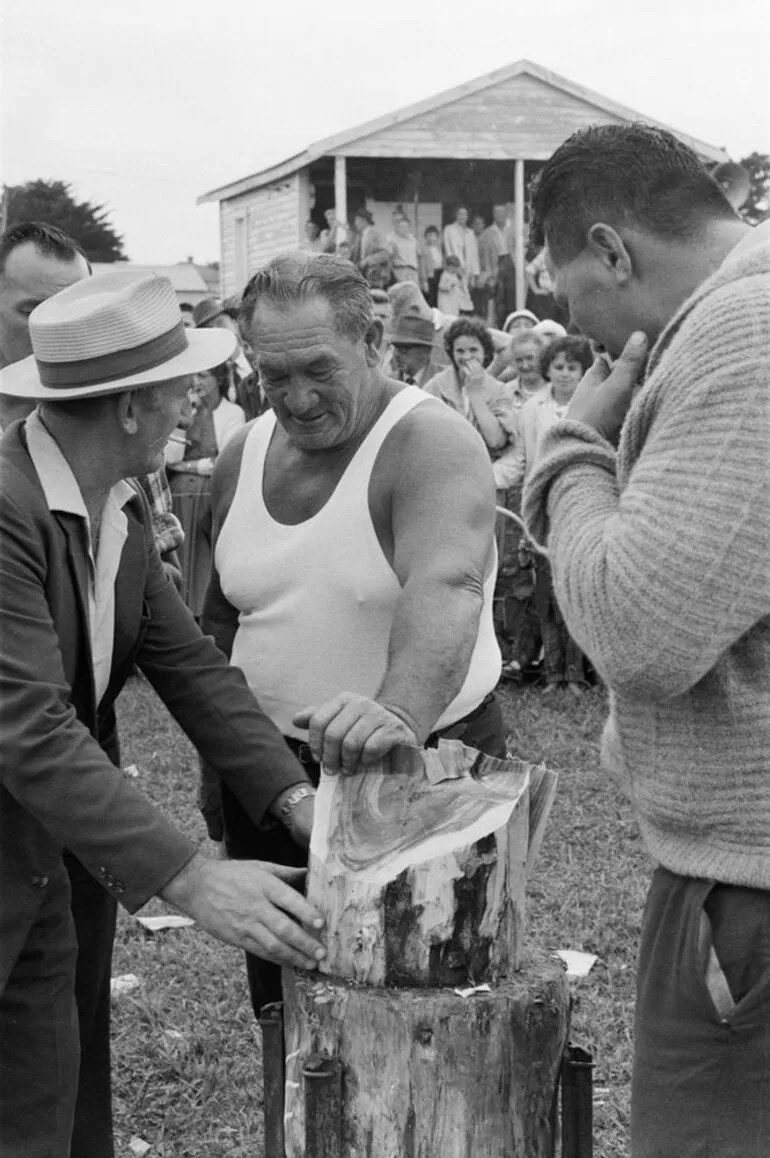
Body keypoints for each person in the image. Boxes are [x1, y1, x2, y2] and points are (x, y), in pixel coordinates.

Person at [0, 271, 326, 1158]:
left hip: (48, 867)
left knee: (56, 1102)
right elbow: (27, 725)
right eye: (182, 381)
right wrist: (191, 877)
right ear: (133, 408)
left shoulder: (117, 500)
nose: (198, 398)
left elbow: (193, 669)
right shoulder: (6, 505)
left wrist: (302, 808)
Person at [522, 122, 770, 1157]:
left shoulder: (741, 332)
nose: (569, 324)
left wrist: (569, 448)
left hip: (747, 887)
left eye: (564, 289)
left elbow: (639, 627)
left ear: (612, 250)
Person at [199, 252, 505, 1015]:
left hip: (420, 763)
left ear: (371, 343)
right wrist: (221, 766)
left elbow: (449, 584)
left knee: (420, 1007)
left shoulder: (428, 443)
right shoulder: (242, 454)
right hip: (268, 774)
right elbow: (221, 620)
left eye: (317, 370)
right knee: (285, 1000)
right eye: (273, 376)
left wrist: (395, 718)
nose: (296, 399)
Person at [0, 222, 185, 585]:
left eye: (72, 313)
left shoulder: (121, 423)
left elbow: (169, 579)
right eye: (32, 311)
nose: (53, 328)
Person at [494, 335, 593, 694]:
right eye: (558, 367)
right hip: (544, 507)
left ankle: (576, 673)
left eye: (572, 367)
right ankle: (552, 673)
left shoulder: (591, 403)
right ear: (548, 368)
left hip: (580, 504)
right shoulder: (534, 408)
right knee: (545, 595)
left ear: (583, 371)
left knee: (575, 592)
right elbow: (522, 460)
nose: (565, 374)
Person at [166, 363, 245, 618]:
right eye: (195, 375)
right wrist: (186, 413)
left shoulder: (232, 413)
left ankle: (203, 610)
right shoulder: (187, 410)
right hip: (179, 498)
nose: (198, 381)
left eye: (204, 375)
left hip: (207, 498)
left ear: (218, 379)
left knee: (204, 557)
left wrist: (186, 466)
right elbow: (170, 456)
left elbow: (222, 461)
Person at [424, 316, 514, 458]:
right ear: (452, 353)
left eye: (473, 350)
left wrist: (475, 395)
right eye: (460, 351)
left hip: (486, 467)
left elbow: (496, 441)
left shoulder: (500, 390)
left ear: (484, 352)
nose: (467, 357)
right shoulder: (435, 386)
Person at [387, 311, 444, 386]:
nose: (396, 354)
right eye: (396, 348)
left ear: (426, 350)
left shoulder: (444, 382)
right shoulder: (388, 382)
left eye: (405, 349)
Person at [479, 205, 512, 326]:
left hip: (512, 265)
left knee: (512, 297)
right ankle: (498, 324)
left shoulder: (516, 227)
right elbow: (484, 255)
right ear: (493, 215)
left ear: (506, 214)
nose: (499, 216)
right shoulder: (488, 233)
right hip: (496, 265)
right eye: (497, 213)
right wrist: (489, 274)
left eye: (502, 213)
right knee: (497, 298)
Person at [350, 207, 391, 289]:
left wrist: (367, 260)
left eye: (356, 221)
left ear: (364, 220)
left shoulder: (376, 234)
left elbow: (385, 254)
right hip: (360, 276)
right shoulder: (358, 236)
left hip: (374, 276)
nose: (355, 223)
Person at [442, 206, 480, 295]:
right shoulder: (449, 229)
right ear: (456, 215)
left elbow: (474, 254)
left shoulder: (470, 232)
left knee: (466, 298)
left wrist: (474, 273)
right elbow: (448, 249)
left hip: (468, 270)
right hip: (453, 269)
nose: (462, 216)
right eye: (460, 214)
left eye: (465, 214)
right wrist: (454, 267)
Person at [387, 211, 426, 289]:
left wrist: (423, 279)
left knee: (414, 295)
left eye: (405, 226)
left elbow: (420, 258)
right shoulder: (392, 239)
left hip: (413, 271)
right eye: (400, 226)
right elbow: (389, 258)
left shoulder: (413, 240)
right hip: (400, 270)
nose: (402, 228)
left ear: (409, 227)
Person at [423, 224, 444, 307]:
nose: (432, 238)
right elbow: (422, 267)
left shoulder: (439, 248)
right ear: (425, 237)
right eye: (429, 236)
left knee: (438, 299)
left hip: (439, 274)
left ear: (437, 237)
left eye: (434, 236)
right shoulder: (424, 249)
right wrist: (424, 281)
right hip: (430, 276)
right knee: (431, 299)